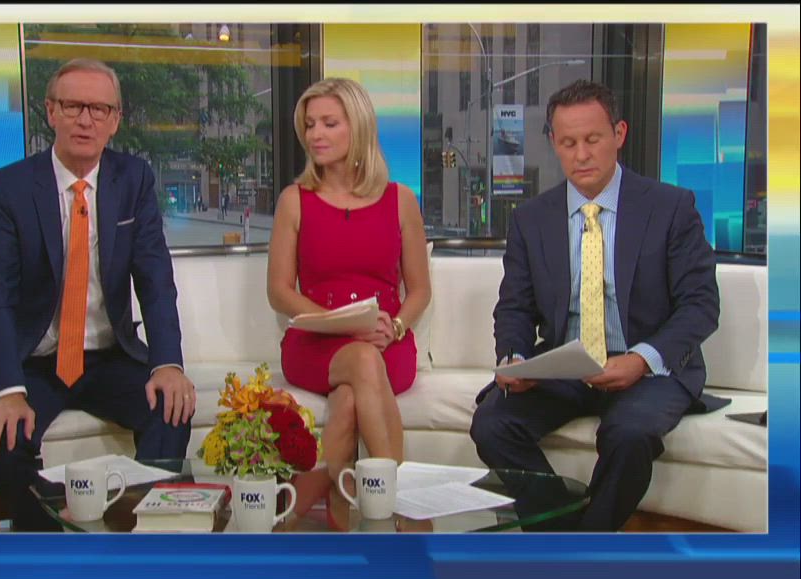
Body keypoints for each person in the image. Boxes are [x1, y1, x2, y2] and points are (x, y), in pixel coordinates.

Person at [0, 58, 195, 532]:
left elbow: (156, 280)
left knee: (171, 407)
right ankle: (54, 548)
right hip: (33, 360)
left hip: (109, 356)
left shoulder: (133, 179)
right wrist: (6, 390)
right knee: (4, 440)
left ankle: (144, 538)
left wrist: (168, 364)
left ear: (115, 120)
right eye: (73, 106)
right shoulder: (7, 187)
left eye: (100, 109)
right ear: (51, 111)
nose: (86, 119)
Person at [469, 79, 724, 531]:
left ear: (619, 134)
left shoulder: (670, 207)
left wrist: (641, 360)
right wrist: (515, 358)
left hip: (648, 368)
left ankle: (585, 544)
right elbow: (515, 308)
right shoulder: (531, 219)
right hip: (565, 365)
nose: (581, 155)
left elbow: (700, 304)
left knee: (628, 433)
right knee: (491, 424)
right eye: (568, 143)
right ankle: (563, 536)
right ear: (554, 143)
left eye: (593, 139)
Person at [266, 77, 431, 530]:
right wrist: (343, 324)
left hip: (385, 343)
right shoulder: (294, 201)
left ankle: (329, 499)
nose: (315, 134)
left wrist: (396, 327)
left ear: (357, 127)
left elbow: (420, 290)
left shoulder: (400, 200)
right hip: (314, 343)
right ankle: (399, 504)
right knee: (360, 360)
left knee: (348, 400)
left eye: (329, 123)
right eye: (310, 124)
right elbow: (279, 291)